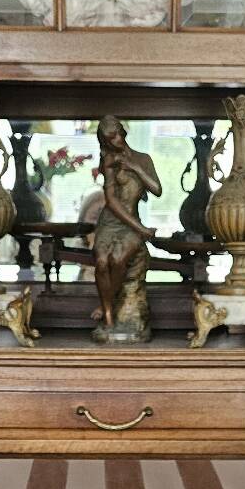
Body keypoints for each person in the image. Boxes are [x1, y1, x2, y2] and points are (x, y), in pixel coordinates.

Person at [92, 116, 161, 338]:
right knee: (102, 262)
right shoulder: (109, 161)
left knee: (118, 259)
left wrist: (135, 168)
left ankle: (105, 305)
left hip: (131, 221)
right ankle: (109, 314)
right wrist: (141, 229)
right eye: (110, 138)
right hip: (111, 222)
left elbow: (157, 189)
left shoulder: (143, 158)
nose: (116, 140)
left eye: (118, 134)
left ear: (123, 132)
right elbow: (111, 202)